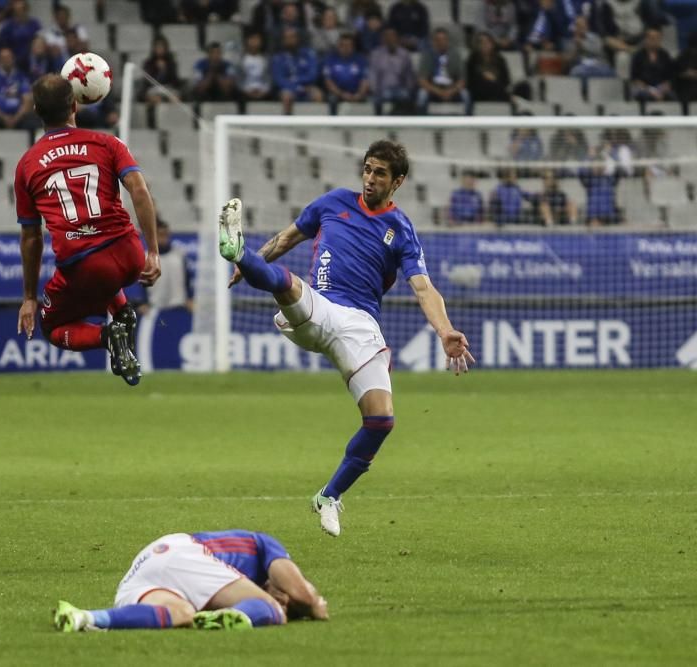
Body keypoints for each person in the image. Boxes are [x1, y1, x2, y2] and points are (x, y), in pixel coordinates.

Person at [217, 139, 474, 537]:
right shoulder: (333, 202)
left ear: (398, 181)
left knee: (381, 420)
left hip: (361, 328)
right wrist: (254, 262)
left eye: (380, 173)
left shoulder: (400, 229)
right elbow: (286, 239)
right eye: (368, 169)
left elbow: (423, 288)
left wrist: (445, 331)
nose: (370, 179)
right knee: (287, 287)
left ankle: (328, 496)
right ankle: (239, 250)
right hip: (321, 306)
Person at [14, 74, 161, 386]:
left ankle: (109, 335)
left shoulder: (27, 165)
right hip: (129, 253)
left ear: (37, 112)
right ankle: (123, 312)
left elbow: (31, 237)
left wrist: (29, 297)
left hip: (85, 265)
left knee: (51, 326)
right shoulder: (108, 143)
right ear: (75, 106)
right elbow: (139, 190)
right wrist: (153, 252)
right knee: (107, 277)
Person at [53, 529, 328, 632]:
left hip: (144, 567)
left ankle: (86, 618)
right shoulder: (266, 546)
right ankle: (232, 616)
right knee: (271, 610)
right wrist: (313, 604)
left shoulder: (222, 584)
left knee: (180, 614)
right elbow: (304, 595)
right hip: (187, 553)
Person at [416, 27, 471, 114]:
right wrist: (438, 92)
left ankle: (468, 124)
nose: (441, 42)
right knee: (421, 95)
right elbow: (422, 80)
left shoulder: (455, 55)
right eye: (437, 39)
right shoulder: (427, 55)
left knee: (466, 95)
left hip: (452, 89)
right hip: (433, 89)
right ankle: (421, 125)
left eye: (443, 39)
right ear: (433, 41)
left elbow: (462, 79)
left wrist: (451, 91)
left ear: (448, 41)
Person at [0, 47, 36, 130]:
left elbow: (27, 101)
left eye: (8, 57)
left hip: (18, 116)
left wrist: (16, 118)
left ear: (13, 59)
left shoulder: (21, 77)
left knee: (32, 123)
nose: (6, 60)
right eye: (3, 58)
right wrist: (4, 117)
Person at [141, 219, 192, 313]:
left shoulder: (179, 254)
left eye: (165, 234)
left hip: (178, 305)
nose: (163, 237)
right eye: (160, 234)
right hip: (154, 308)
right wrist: (144, 302)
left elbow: (187, 279)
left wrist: (190, 298)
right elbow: (142, 283)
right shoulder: (146, 258)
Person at [271, 27, 322, 114]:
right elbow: (279, 79)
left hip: (307, 87)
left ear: (297, 38)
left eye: (292, 37)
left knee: (318, 94)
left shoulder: (308, 54)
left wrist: (298, 81)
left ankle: (316, 125)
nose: (290, 40)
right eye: (287, 38)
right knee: (286, 96)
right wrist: (296, 87)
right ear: (283, 40)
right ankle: (288, 125)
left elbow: (312, 75)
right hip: (288, 88)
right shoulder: (278, 58)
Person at [369, 27, 416, 114]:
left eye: (392, 36)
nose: (390, 38)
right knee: (377, 97)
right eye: (387, 36)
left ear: (397, 38)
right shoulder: (376, 54)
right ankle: (379, 124)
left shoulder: (404, 54)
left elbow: (409, 75)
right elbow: (373, 75)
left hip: (400, 89)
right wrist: (375, 90)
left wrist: (409, 89)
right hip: (382, 90)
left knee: (406, 95)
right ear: (383, 38)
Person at [322, 33, 369, 112]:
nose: (345, 48)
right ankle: (333, 123)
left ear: (353, 47)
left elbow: (365, 79)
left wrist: (359, 94)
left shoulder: (360, 59)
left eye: (348, 45)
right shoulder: (330, 59)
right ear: (338, 46)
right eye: (342, 45)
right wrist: (341, 94)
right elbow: (328, 81)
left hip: (356, 93)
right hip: (337, 93)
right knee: (332, 99)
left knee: (371, 99)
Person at [630, 27, 675, 102]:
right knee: (644, 95)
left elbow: (669, 77)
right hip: (643, 87)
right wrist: (650, 90)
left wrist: (663, 89)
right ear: (646, 39)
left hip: (660, 87)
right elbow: (635, 78)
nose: (655, 41)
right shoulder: (638, 56)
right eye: (652, 38)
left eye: (658, 38)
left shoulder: (665, 55)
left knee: (671, 96)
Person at [467, 32, 512, 103]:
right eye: (481, 42)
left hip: (498, 90)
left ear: (492, 44)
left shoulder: (500, 60)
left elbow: (506, 80)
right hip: (479, 91)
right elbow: (470, 81)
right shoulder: (472, 59)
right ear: (477, 45)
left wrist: (494, 79)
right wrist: (483, 76)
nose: (484, 45)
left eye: (487, 42)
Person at [140, 36, 181, 107]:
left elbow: (175, 81)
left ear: (165, 48)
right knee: (156, 99)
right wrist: (157, 69)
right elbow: (147, 81)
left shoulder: (171, 62)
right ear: (154, 48)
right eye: (158, 47)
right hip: (153, 88)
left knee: (175, 98)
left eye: (161, 47)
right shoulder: (148, 63)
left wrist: (165, 69)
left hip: (168, 88)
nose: (160, 49)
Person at [0, 0, 41, 66]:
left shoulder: (34, 24)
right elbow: (2, 45)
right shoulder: (8, 26)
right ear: (14, 11)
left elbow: (39, 40)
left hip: (32, 58)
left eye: (22, 9)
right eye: (17, 10)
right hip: (13, 59)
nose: (20, 13)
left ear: (26, 10)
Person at [238, 32, 272, 102]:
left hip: (263, 91)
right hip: (246, 92)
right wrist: (246, 91)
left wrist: (264, 91)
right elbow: (238, 80)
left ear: (261, 42)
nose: (254, 42)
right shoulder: (241, 59)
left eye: (257, 39)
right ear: (247, 41)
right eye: (252, 39)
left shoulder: (266, 59)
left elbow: (270, 78)